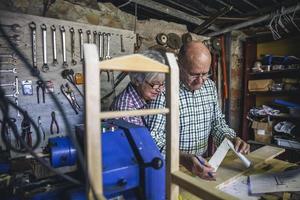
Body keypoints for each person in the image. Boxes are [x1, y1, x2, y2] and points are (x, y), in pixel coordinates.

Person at [147, 41, 250, 180]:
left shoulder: (209, 86)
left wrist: (231, 138)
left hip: (202, 164)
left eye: (205, 74)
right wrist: (182, 158)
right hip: (171, 167)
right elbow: (153, 138)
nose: (200, 81)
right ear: (179, 65)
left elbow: (217, 123)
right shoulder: (164, 89)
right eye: (194, 74)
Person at [110, 50, 165, 126]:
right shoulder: (125, 110)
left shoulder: (147, 94)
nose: (160, 89)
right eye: (155, 84)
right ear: (137, 80)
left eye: (162, 84)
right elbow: (141, 138)